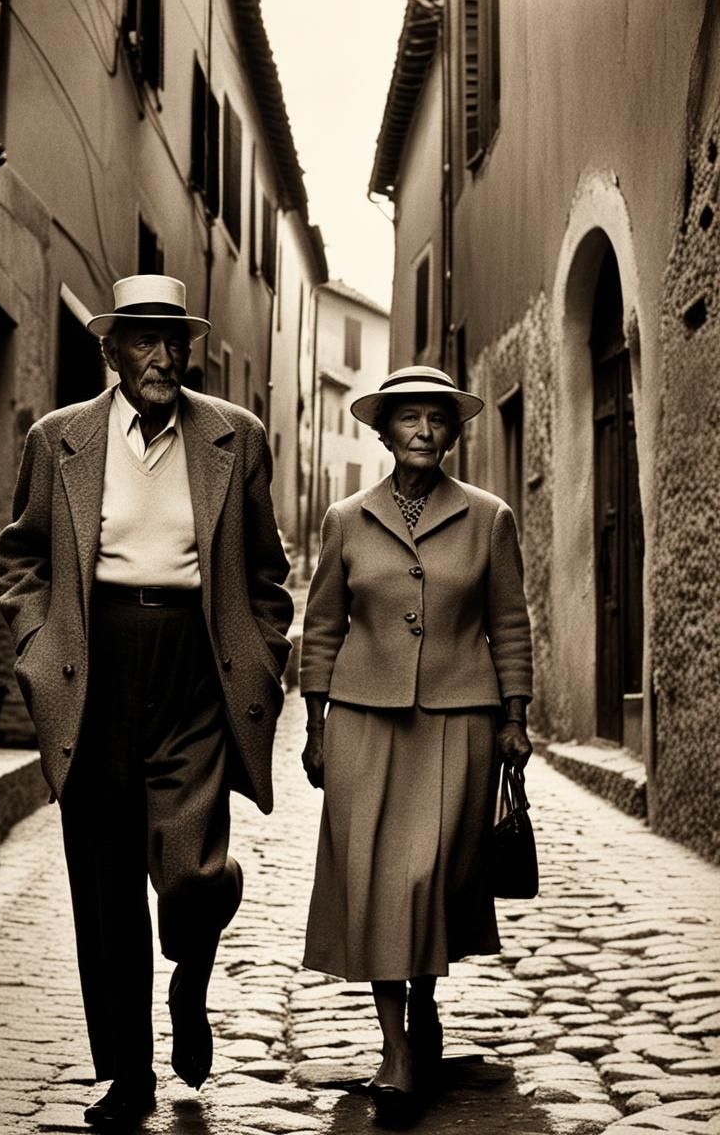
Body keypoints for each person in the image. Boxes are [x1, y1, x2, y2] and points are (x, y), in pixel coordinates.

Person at [0, 274, 293, 1131]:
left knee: (191, 873)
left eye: (174, 340)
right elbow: (18, 558)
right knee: (105, 885)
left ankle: (190, 971)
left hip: (194, 670)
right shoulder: (60, 440)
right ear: (111, 349)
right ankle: (127, 1072)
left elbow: (266, 574)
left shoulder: (238, 437)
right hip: (90, 671)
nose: (161, 356)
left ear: (187, 349)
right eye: (142, 339)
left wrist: (263, 655)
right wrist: (33, 645)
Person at [299, 365, 533, 1124]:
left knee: (427, 878)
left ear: (454, 431)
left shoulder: (489, 518)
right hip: (365, 721)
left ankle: (423, 1004)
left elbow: (509, 624)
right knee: (374, 881)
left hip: (458, 720)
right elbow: (324, 627)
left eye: (438, 418)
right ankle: (397, 1047)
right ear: (384, 432)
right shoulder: (346, 519)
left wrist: (515, 717)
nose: (425, 429)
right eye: (409, 418)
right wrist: (314, 725)